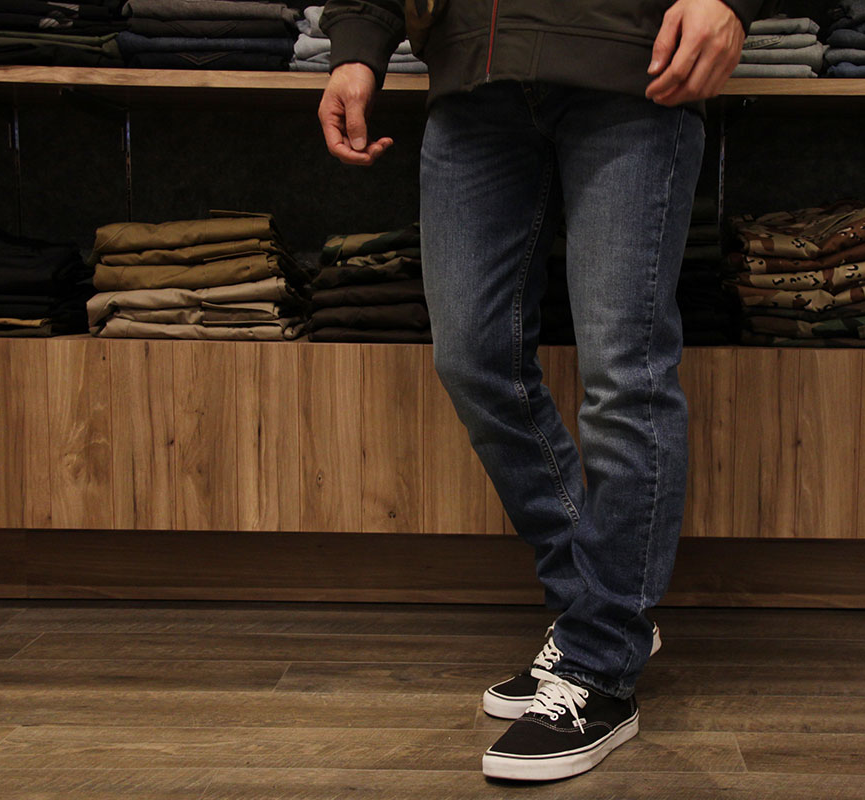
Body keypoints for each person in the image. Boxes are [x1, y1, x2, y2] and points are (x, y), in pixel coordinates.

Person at [317, 0, 758, 782]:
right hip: (472, 73)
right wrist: (359, 44)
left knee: (624, 373)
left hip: (631, 63)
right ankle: (598, 609)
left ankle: (600, 663)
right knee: (473, 357)